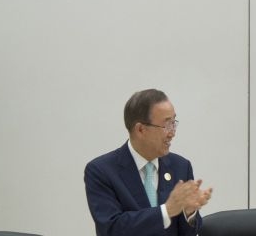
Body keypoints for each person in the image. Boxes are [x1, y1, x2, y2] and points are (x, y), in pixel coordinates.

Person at [84, 89, 213, 236]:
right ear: (140, 130)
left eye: (173, 123)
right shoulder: (101, 171)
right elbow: (112, 229)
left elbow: (187, 232)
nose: (172, 133)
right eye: (166, 125)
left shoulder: (181, 166)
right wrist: (167, 210)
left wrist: (188, 212)